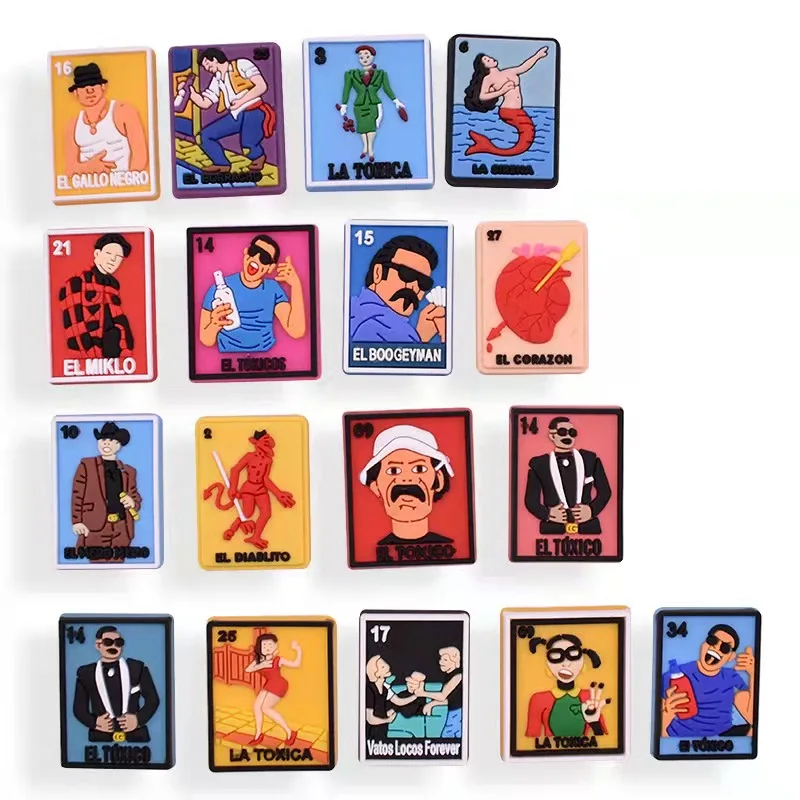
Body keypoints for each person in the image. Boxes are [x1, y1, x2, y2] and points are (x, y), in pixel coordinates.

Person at [200, 234, 305, 353]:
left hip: (268, 358)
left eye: (264, 258)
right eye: (254, 251)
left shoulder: (273, 289)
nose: (256, 258)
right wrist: (215, 325)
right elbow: (205, 339)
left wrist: (296, 285)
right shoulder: (216, 289)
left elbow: (296, 330)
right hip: (228, 357)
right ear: (246, 253)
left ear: (270, 267)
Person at [177, 47, 276, 174]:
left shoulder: (241, 64)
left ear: (214, 59)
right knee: (204, 136)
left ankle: (258, 157)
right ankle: (221, 164)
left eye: (207, 63)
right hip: (235, 115)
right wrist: (190, 93)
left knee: (248, 146)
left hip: (254, 110)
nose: (206, 68)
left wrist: (241, 101)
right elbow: (205, 103)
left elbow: (262, 86)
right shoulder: (216, 79)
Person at [360, 424, 455, 546]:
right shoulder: (375, 548)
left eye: (419, 469)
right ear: (375, 487)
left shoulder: (450, 546)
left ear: (439, 480)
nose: (406, 479)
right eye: (393, 471)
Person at [661, 624, 756, 737]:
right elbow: (659, 715)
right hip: (683, 737)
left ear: (731, 657)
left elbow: (751, 711)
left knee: (744, 699)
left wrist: (753, 673)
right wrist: (665, 716)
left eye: (725, 648)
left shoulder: (731, 675)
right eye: (712, 640)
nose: (716, 647)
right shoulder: (675, 676)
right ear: (703, 644)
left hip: (724, 737)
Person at [524, 416, 612, 535]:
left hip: (588, 528)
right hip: (553, 529)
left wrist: (591, 510)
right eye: (562, 432)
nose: (568, 436)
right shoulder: (539, 465)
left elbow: (605, 491)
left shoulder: (590, 459)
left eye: (572, 433)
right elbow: (530, 501)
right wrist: (548, 514)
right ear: (552, 435)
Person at [349, 235, 445, 344]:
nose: (414, 287)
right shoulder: (375, 326)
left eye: (423, 282)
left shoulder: (351, 312)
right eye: (407, 274)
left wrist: (421, 336)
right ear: (378, 273)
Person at [72, 625, 160, 743]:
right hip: (100, 738)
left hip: (136, 738)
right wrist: (95, 723)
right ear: (98, 645)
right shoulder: (86, 674)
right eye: (108, 642)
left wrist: (138, 720)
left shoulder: (137, 668)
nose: (114, 646)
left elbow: (153, 700)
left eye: (118, 642)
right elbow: (79, 709)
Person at [71, 422, 141, 560]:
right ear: (98, 442)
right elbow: (77, 495)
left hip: (122, 528)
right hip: (95, 526)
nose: (106, 443)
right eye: (103, 439)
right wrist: (77, 521)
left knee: (118, 562)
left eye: (112, 440)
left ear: (119, 445)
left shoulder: (129, 471)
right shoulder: (87, 466)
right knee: (96, 563)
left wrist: (132, 502)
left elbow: (135, 496)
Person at [59, 233, 135, 360]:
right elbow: (75, 325)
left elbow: (119, 320)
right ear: (97, 254)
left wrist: (125, 350)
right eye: (108, 254)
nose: (113, 260)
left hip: (112, 356)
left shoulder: (112, 287)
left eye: (118, 257)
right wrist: (91, 357)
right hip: (87, 356)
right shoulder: (77, 283)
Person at [65, 63, 148, 177]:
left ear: (103, 86)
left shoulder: (123, 111)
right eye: (83, 87)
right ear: (76, 92)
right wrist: (88, 167)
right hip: (88, 186)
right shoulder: (73, 125)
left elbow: (141, 157)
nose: (90, 91)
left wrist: (128, 182)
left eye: (93, 84)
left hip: (123, 183)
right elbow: (70, 170)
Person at [462, 47, 549, 157]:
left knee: (527, 137)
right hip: (508, 111)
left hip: (518, 111)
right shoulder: (488, 79)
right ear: (484, 66)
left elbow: (523, 67)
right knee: (528, 134)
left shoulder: (509, 72)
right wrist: (501, 91)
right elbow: (482, 96)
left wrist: (537, 56)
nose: (490, 59)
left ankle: (488, 147)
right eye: (487, 60)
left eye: (489, 57)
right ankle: (487, 147)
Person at [525, 633, 611, 739]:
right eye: (556, 656)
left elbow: (600, 735)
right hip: (550, 748)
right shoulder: (538, 699)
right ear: (548, 668)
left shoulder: (590, 697)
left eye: (573, 655)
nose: (566, 664)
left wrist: (594, 721)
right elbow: (532, 736)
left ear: (583, 666)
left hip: (586, 748)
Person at [340, 45, 405, 161]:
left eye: (367, 56)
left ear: (373, 56)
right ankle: (364, 147)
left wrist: (396, 101)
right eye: (361, 57)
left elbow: (387, 88)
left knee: (371, 126)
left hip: (373, 104)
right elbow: (347, 89)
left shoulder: (381, 74)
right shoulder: (351, 74)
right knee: (362, 127)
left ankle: (370, 148)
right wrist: (344, 104)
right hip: (359, 105)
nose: (364, 59)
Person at [245, 633, 301, 746]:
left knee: (265, 708)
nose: (267, 648)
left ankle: (290, 732)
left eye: (270, 645)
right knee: (256, 706)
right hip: (269, 684)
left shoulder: (278, 659)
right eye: (264, 645)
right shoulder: (259, 660)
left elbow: (296, 664)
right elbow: (248, 669)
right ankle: (258, 735)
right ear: (260, 647)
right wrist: (262, 665)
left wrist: (298, 649)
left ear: (275, 646)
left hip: (279, 684)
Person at [364, 655, 425, 741]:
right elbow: (370, 719)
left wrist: (416, 696)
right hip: (372, 730)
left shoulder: (385, 689)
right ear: (376, 673)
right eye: (382, 667)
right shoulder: (369, 690)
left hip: (382, 728)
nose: (387, 667)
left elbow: (399, 701)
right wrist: (387, 720)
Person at [413, 646, 463, 737]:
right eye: (441, 659)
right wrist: (432, 704)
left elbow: (442, 696)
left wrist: (422, 693)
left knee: (447, 736)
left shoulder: (458, 676)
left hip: (457, 714)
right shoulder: (449, 676)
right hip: (454, 713)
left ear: (454, 661)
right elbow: (451, 699)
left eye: (445, 660)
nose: (440, 662)